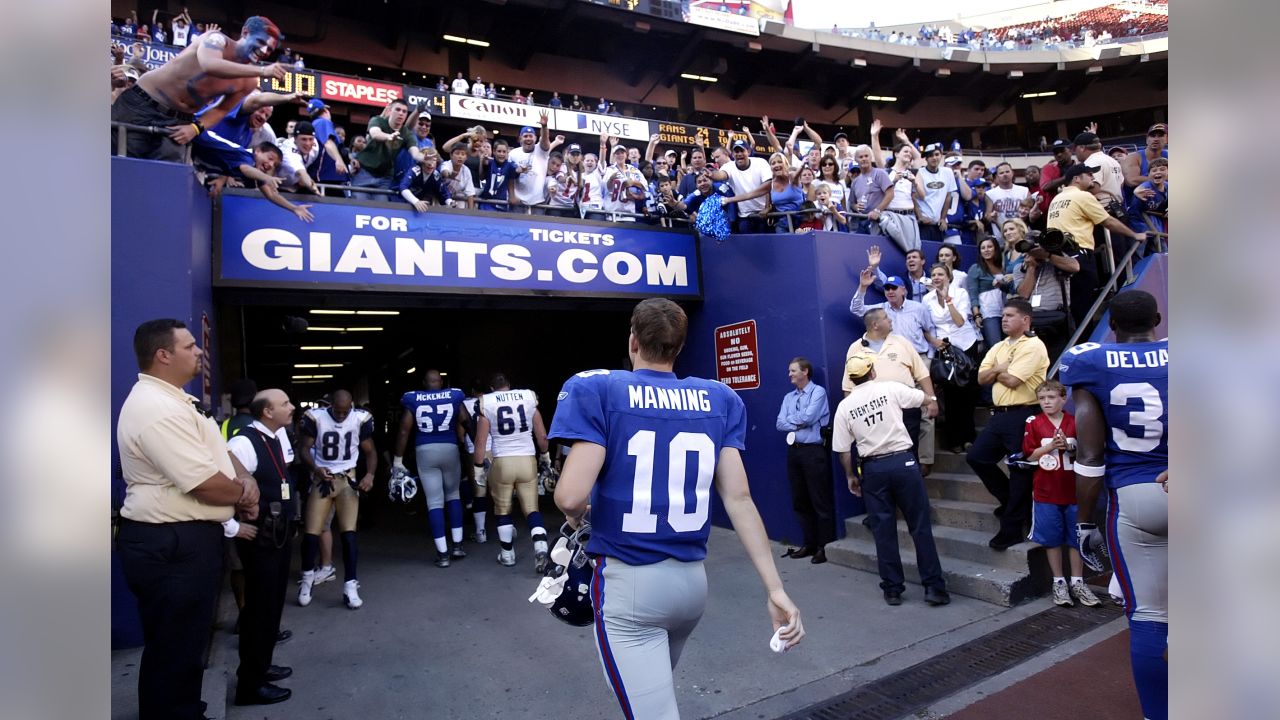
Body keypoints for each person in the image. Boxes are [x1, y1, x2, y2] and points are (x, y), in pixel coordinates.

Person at [550, 298, 805, 719]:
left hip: (631, 587)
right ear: (679, 347)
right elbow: (739, 499)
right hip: (690, 587)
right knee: (652, 699)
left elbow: (570, 497)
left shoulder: (600, 389)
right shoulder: (716, 398)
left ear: (633, 341)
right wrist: (775, 588)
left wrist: (582, 521)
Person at [117, 319, 261, 719]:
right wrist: (242, 495)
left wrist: (243, 479)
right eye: (190, 346)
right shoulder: (155, 409)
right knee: (174, 648)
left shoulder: (177, 400)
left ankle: (185, 710)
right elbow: (204, 484)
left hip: (187, 540)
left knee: (184, 644)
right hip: (171, 542)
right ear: (163, 355)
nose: (200, 352)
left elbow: (216, 451)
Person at [1062, 290, 1167, 720]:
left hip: (1134, 498)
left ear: (1112, 326)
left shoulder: (1090, 360)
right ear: (1158, 320)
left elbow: (1089, 457)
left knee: (1148, 614)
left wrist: (1085, 523)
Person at [834, 353, 949, 606]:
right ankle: (933, 587)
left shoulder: (845, 406)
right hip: (904, 463)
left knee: (883, 531)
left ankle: (893, 589)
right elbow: (921, 398)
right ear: (872, 371)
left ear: (852, 379)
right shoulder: (890, 388)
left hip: (873, 469)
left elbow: (843, 449)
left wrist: (850, 475)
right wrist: (931, 399)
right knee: (920, 525)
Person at [111, 16, 288, 161]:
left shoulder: (249, 81)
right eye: (260, 42)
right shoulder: (216, 39)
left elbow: (222, 109)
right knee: (118, 169)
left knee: (163, 180)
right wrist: (264, 70)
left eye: (270, 50)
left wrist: (195, 128)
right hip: (141, 104)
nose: (264, 51)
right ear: (245, 32)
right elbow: (210, 64)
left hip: (180, 122)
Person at [226, 389, 299, 706]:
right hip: (259, 537)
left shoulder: (278, 435)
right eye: (285, 404)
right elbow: (224, 482)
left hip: (278, 535)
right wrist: (231, 526)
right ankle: (249, 685)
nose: (292, 407)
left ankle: (262, 665)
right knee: (259, 608)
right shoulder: (243, 442)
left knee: (272, 605)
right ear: (267, 411)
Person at [966, 298, 1049, 550]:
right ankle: (1011, 501)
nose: (1004, 319)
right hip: (999, 415)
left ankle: (1012, 528)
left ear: (1025, 320)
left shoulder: (1033, 345)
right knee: (977, 457)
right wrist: (1001, 369)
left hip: (1023, 414)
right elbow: (980, 378)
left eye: (1010, 315)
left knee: (1020, 471)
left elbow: (1013, 381)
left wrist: (997, 372)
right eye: (1003, 315)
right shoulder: (999, 346)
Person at [1019, 381, 1100, 608]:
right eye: (1042, 398)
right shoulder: (1034, 423)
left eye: (1052, 397)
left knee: (1076, 538)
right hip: (1046, 490)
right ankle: (1059, 581)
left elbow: (1089, 452)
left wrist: (1069, 447)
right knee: (1052, 538)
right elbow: (1029, 456)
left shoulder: (1076, 423)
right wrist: (1050, 447)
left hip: (1075, 490)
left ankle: (1077, 581)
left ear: (1064, 399)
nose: (1046, 402)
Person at [296, 390, 376, 609]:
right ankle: (307, 578)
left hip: (347, 480)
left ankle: (350, 585)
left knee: (349, 535)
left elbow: (370, 451)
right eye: (338, 411)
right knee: (311, 534)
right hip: (324, 479)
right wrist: (315, 467)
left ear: (352, 406)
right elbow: (304, 449)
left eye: (345, 411)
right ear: (330, 405)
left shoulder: (360, 418)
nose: (341, 416)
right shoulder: (316, 417)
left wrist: (369, 474)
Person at [1046, 165, 1147, 325]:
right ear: (1076, 178)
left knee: (1075, 303)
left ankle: (1079, 337)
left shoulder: (1057, 199)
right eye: (1089, 174)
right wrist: (1134, 234)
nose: (1093, 178)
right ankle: (1086, 339)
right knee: (1085, 304)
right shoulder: (1082, 196)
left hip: (1061, 253)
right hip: (1079, 252)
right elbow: (1109, 221)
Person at [472, 374, 552, 572]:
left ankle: (507, 554)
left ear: (492, 388)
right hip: (526, 459)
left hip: (502, 461)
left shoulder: (487, 402)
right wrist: (545, 457)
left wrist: (478, 467)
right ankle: (541, 547)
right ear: (509, 386)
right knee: (532, 508)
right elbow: (541, 435)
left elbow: (480, 441)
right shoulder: (527, 398)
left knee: (503, 509)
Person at [393, 370, 469, 567]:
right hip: (450, 447)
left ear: (424, 383)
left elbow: (404, 429)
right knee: (453, 495)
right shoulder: (453, 395)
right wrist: (476, 448)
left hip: (425, 449)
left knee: (434, 501)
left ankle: (443, 554)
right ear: (441, 381)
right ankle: (458, 545)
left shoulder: (414, 398)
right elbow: (467, 421)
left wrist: (397, 460)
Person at [775, 357, 834, 563]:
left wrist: (797, 421)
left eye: (793, 371)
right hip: (794, 451)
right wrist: (797, 423)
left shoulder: (818, 392)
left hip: (813, 451)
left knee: (819, 500)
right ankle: (809, 544)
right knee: (800, 500)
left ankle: (824, 547)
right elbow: (779, 423)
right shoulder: (788, 397)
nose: (789, 374)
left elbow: (808, 418)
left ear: (805, 372)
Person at [922, 264, 978, 452]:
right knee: (950, 395)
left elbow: (960, 321)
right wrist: (933, 340)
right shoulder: (927, 299)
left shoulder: (960, 293)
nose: (936, 277)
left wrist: (948, 299)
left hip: (965, 345)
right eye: (933, 275)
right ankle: (954, 441)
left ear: (948, 276)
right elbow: (925, 327)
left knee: (967, 393)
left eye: (940, 274)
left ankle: (969, 437)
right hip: (945, 348)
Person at [966, 237, 1012, 349]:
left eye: (989, 247)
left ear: (996, 249)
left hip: (1007, 309)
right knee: (996, 346)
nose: (986, 250)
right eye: (983, 248)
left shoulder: (1003, 267)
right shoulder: (975, 268)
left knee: (1010, 343)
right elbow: (973, 294)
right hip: (988, 311)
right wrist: (977, 315)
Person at [508, 113, 553, 213]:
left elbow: (545, 142)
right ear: (520, 139)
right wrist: (512, 196)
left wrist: (544, 126)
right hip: (518, 201)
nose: (528, 138)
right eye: (525, 136)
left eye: (531, 136)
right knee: (516, 228)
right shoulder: (513, 153)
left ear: (535, 139)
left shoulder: (541, 150)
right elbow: (509, 176)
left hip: (537, 202)